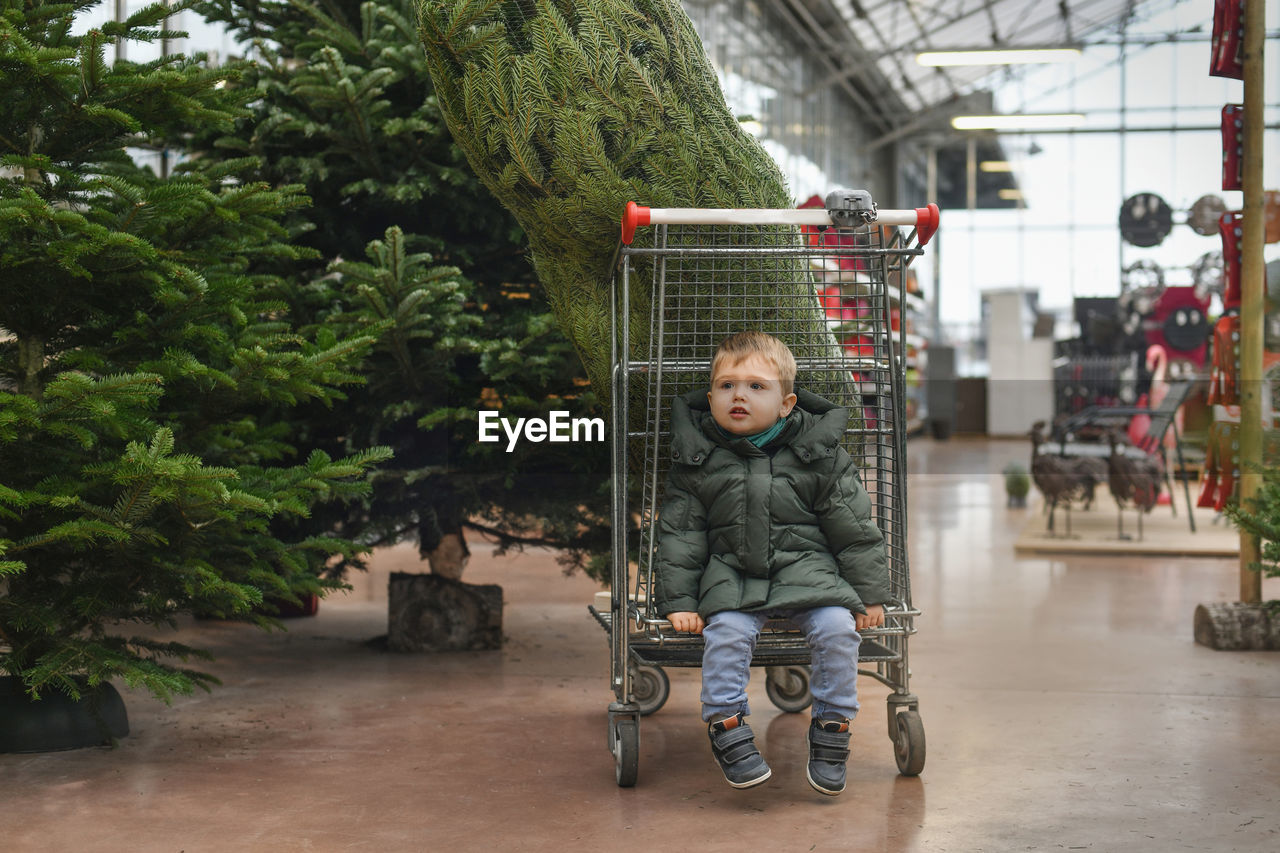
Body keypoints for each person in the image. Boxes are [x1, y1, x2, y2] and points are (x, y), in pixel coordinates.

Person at [654, 330, 890, 795]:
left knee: (837, 629)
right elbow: (682, 535)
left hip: (810, 574)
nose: (738, 395)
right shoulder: (697, 459)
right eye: (726, 386)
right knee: (726, 633)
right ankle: (726, 723)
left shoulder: (819, 457)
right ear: (710, 397)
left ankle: (833, 725)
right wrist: (680, 602)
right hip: (732, 577)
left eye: (756, 386)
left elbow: (853, 530)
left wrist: (869, 595)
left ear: (787, 403)